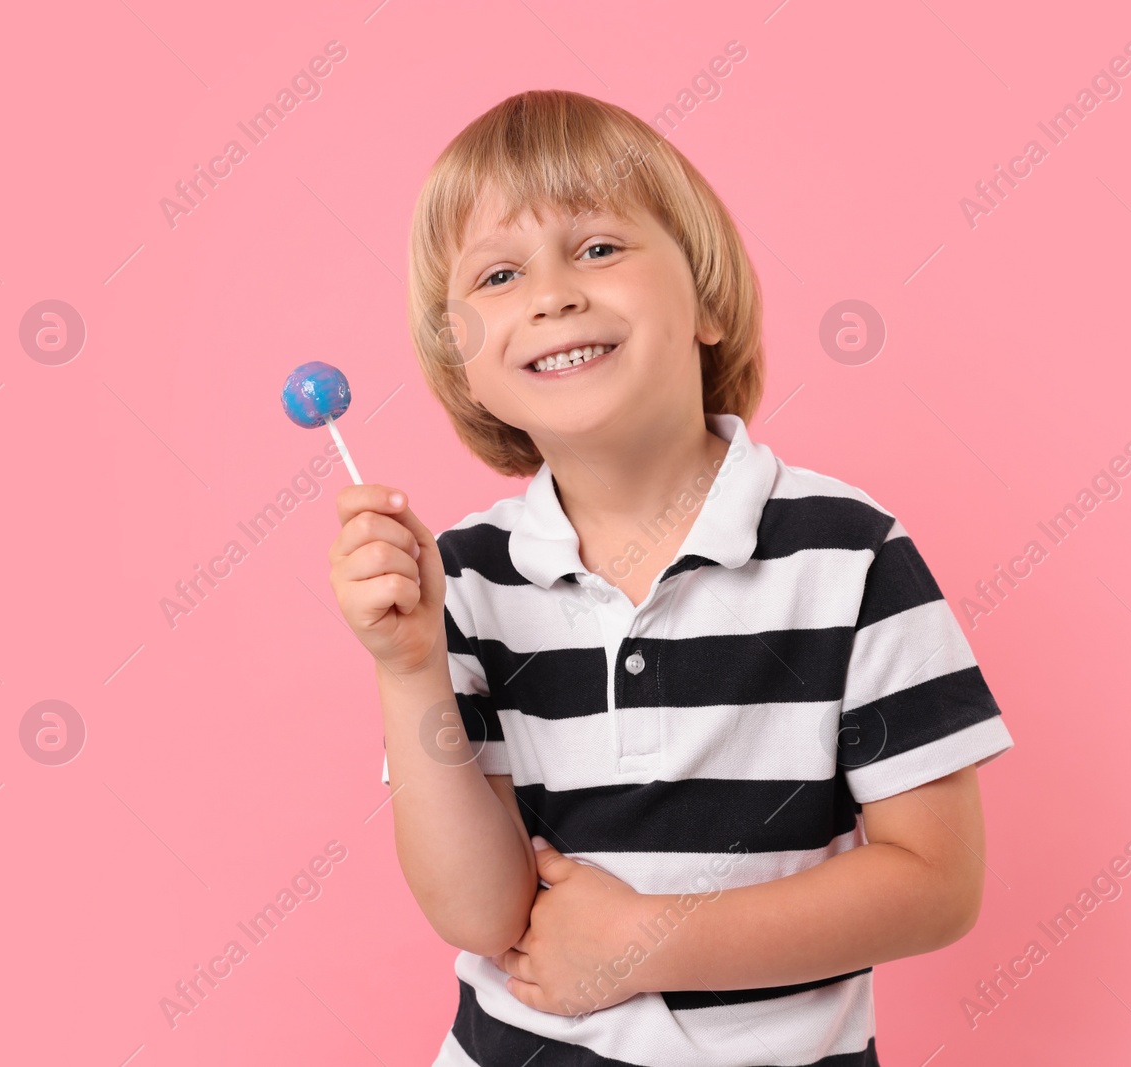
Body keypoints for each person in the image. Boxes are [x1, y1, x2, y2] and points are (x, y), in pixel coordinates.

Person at [327, 89, 1014, 1066]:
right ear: (465, 368)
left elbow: (936, 882)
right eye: (498, 273)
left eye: (598, 247)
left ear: (706, 299)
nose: (550, 294)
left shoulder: (850, 554)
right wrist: (406, 669)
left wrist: (644, 942)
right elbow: (479, 911)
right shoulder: (466, 579)